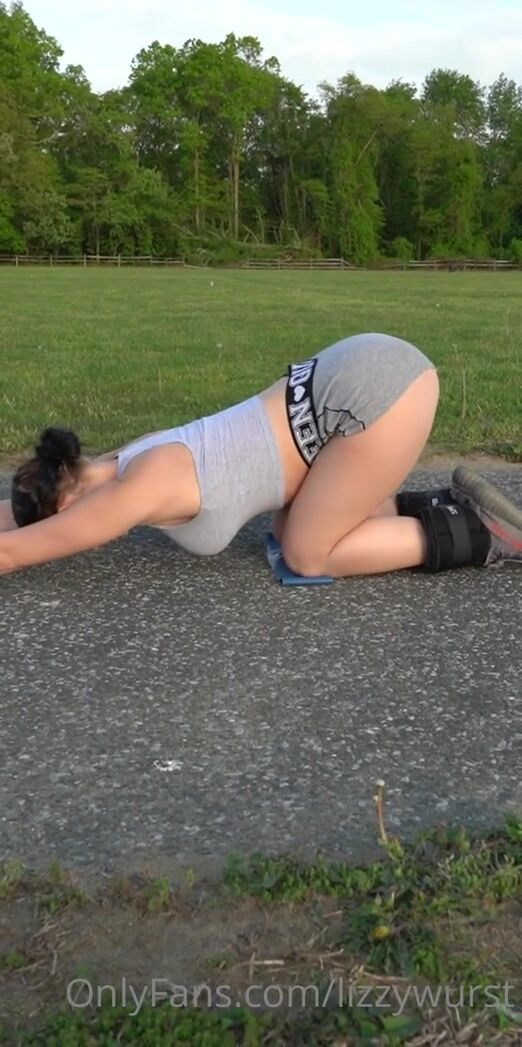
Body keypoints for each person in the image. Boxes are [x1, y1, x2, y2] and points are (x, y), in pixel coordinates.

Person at [0, 332, 520, 577]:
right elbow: (27, 515)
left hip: (375, 401)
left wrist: (33, 531)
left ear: (67, 504)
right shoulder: (122, 459)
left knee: (307, 554)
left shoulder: (135, 491)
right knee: (289, 525)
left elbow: (14, 551)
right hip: (353, 371)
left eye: (63, 520)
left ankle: (483, 533)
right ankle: (440, 504)